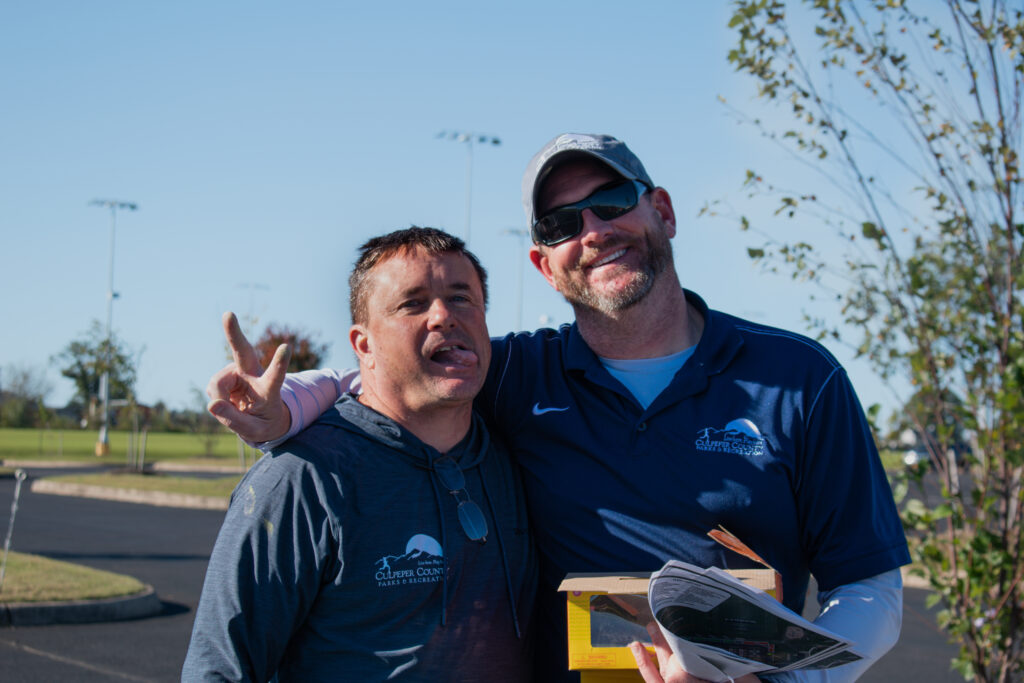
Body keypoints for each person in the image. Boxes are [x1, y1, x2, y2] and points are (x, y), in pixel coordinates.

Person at [207, 134, 910, 682]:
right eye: (561, 221)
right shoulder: (516, 370)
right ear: (545, 264)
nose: (594, 228)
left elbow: (871, 587)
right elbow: (394, 369)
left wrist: (782, 677)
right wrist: (285, 410)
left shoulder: (798, 375)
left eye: (612, 200)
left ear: (660, 210)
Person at [183, 227, 536, 681]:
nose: (444, 316)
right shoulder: (301, 478)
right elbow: (221, 669)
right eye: (413, 303)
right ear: (363, 345)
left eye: (462, 297)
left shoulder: (517, 452)